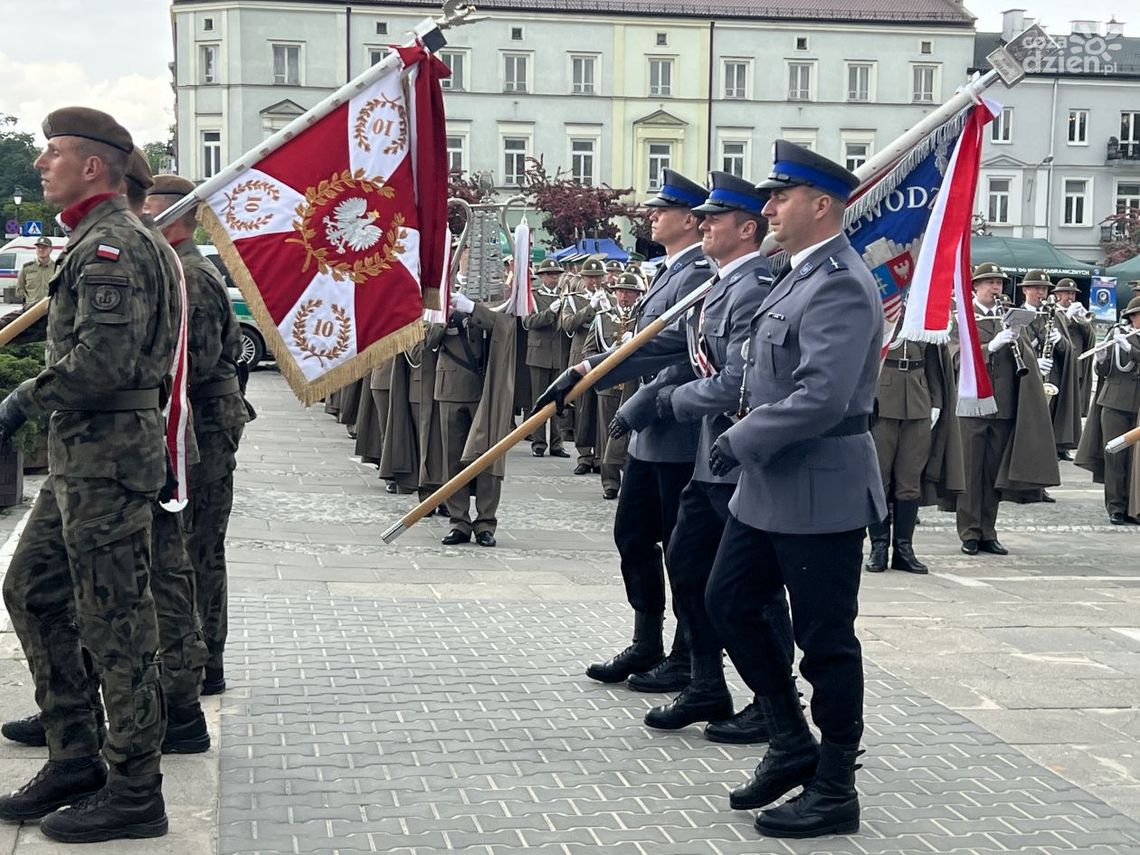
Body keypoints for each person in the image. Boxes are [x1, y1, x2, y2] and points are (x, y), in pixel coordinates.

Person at [0, 107, 176, 842]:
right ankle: (75, 752)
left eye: (54, 154)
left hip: (106, 461)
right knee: (32, 589)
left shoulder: (113, 247)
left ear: (93, 165)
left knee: (116, 620)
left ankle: (136, 786)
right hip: (83, 459)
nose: (42, 164)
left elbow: (100, 367)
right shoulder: (91, 241)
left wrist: (19, 402)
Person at [703, 141, 885, 839]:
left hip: (819, 486)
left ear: (822, 206)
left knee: (825, 640)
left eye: (780, 197)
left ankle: (835, 785)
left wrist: (743, 437)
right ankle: (789, 738)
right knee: (728, 602)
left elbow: (821, 396)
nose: (768, 207)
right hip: (769, 483)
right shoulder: (793, 274)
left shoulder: (839, 280)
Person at [606, 171, 777, 739]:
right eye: (700, 216)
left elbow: (726, 376)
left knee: (750, 585)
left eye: (713, 217)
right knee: (687, 562)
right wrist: (589, 370)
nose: (702, 224)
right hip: (709, 451)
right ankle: (705, 681)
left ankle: (775, 704)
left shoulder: (748, 285)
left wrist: (661, 400)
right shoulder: (721, 283)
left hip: (735, 453)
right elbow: (672, 344)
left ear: (746, 228)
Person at [536, 168, 710, 693]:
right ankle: (646, 640)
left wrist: (643, 400)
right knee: (633, 537)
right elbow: (643, 345)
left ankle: (688, 656)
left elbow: (691, 354)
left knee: (683, 551)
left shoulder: (701, 273)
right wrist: (587, 371)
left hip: (678, 432)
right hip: (649, 435)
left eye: (662, 209)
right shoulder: (667, 271)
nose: (651, 215)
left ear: (691, 219)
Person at [143, 174, 250, 701]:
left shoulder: (192, 276)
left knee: (199, 547)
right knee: (185, 546)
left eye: (147, 211)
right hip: (194, 424)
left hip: (204, 427)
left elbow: (197, 362)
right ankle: (193, 656)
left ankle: (206, 660)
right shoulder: (175, 270)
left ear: (171, 215)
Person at [954, 264, 1059, 554]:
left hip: (1003, 405)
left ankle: (988, 530)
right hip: (973, 405)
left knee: (992, 474)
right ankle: (969, 532)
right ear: (975, 287)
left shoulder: (1010, 318)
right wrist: (991, 346)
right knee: (971, 472)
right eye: (988, 282)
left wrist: (1029, 356)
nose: (995, 287)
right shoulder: (962, 317)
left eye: (998, 283)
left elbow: (1021, 356)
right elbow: (955, 356)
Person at [868, 317, 955, 574]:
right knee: (879, 478)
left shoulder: (923, 307)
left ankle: (904, 549)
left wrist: (936, 400)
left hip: (918, 397)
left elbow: (933, 359)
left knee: (910, 480)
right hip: (881, 398)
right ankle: (879, 547)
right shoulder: (884, 304)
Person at [429, 292, 500, 546]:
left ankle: (485, 522)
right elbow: (426, 341)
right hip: (450, 388)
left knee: (488, 459)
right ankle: (459, 521)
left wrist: (472, 309)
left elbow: (503, 326)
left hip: (485, 389)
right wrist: (443, 319)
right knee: (453, 458)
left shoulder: (492, 293)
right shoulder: (436, 295)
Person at [1075, 297, 1140, 524]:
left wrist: (1130, 348)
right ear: (1132, 317)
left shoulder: (1129, 341)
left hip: (1138, 406)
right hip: (1114, 402)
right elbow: (1105, 372)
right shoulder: (1117, 333)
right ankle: (1116, 507)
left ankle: (1134, 507)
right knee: (1115, 455)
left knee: (1136, 460)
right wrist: (1101, 359)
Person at [583, 272, 644, 500]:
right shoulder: (603, 318)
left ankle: (629, 476)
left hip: (631, 384)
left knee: (628, 430)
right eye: (621, 291)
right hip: (608, 384)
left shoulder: (641, 318)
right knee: (606, 431)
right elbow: (588, 351)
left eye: (630, 292)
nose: (625, 296)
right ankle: (609, 481)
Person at [561, 257, 607, 474]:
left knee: (601, 408)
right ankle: (584, 455)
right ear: (583, 278)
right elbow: (568, 324)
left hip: (604, 358)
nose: (594, 281)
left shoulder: (610, 298)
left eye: (598, 277)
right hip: (581, 358)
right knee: (582, 409)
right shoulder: (574, 300)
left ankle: (600, 456)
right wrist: (590, 307)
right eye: (590, 277)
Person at [521, 257, 572, 458]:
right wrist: (550, 313)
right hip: (539, 353)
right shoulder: (533, 296)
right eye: (550, 274)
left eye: (556, 275)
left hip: (558, 354)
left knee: (560, 399)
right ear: (542, 277)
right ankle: (539, 442)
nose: (554, 278)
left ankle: (557, 443)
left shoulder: (565, 295)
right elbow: (528, 322)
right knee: (539, 400)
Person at [1052, 279, 1095, 422]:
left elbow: (1089, 337)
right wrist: (1067, 316)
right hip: (1060, 364)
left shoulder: (1078, 314)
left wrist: (1083, 321)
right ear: (1058, 295)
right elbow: (1053, 332)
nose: (1070, 297)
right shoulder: (1053, 311)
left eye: (1073, 294)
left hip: (1077, 363)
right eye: (1067, 293)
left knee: (1073, 401)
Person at [15, 236, 56, 306]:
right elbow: (19, 289)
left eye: (44, 248)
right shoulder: (27, 268)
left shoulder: (56, 269)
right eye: (38, 247)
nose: (41, 250)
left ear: (51, 249)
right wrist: (26, 301)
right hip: (31, 308)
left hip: (51, 308)